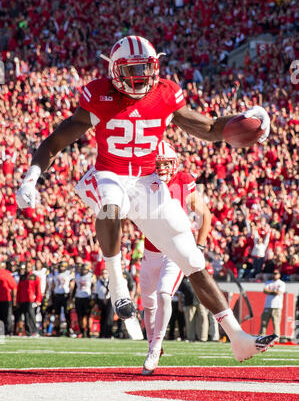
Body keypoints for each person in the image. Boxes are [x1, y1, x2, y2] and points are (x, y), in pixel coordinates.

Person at [16, 35, 276, 362]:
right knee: (111, 204)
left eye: (146, 68)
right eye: (133, 69)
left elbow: (209, 127)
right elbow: (56, 140)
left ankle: (237, 337)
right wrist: (32, 175)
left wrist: (246, 120)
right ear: (114, 70)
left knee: (191, 259)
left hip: (147, 182)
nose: (140, 76)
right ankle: (117, 285)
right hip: (109, 174)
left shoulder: (165, 93)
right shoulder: (99, 95)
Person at [140, 141, 211, 374]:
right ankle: (153, 343)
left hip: (175, 249)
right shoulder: (145, 181)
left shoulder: (183, 180)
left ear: (175, 164)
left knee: (163, 294)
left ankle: (155, 348)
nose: (161, 168)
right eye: (157, 163)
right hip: (150, 250)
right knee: (148, 304)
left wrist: (198, 246)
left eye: (166, 163)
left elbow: (205, 214)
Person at [15, 261, 42, 336]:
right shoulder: (22, 277)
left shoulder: (35, 277)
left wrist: (38, 300)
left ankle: (35, 331)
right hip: (23, 299)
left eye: (29, 267)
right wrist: (17, 300)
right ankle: (28, 331)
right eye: (26, 267)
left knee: (31, 315)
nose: (27, 268)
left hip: (31, 299)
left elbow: (38, 290)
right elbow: (19, 290)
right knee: (25, 316)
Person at [50, 260, 76, 337]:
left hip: (66, 296)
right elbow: (53, 285)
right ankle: (56, 330)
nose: (61, 268)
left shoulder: (68, 273)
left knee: (67, 314)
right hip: (57, 295)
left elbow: (71, 285)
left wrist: (71, 296)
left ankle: (69, 330)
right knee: (56, 314)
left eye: (62, 266)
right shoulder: (56, 273)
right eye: (60, 266)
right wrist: (52, 294)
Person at [259, 270, 286, 341]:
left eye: (276, 274)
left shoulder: (281, 283)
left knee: (276, 323)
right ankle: (261, 337)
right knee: (264, 323)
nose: (274, 275)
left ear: (279, 275)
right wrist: (273, 292)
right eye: (274, 273)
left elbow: (278, 292)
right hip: (267, 305)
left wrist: (270, 291)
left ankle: (276, 339)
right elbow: (265, 290)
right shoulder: (268, 282)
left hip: (277, 306)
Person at [73, 261, 96, 338]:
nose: (84, 271)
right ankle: (82, 331)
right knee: (80, 316)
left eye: (85, 269)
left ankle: (88, 331)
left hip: (87, 298)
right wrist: (72, 297)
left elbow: (94, 287)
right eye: (83, 269)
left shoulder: (91, 276)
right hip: (78, 297)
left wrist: (93, 297)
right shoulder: (77, 276)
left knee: (88, 316)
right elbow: (75, 287)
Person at [95, 268, 114, 339]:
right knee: (102, 318)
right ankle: (102, 333)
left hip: (109, 301)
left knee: (109, 318)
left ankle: (109, 334)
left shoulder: (111, 282)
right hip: (101, 301)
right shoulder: (99, 282)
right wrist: (97, 302)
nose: (104, 275)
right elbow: (96, 293)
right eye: (103, 273)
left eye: (106, 273)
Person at [0, 262, 17, 336]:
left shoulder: (6, 273)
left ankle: (8, 331)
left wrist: (14, 299)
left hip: (6, 299)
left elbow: (13, 286)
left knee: (7, 317)